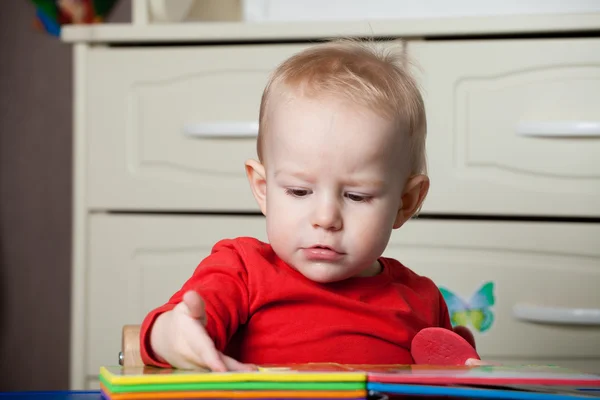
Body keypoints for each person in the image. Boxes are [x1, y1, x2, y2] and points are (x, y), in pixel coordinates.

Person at [139, 38, 474, 372]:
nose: (325, 218)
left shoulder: (422, 300)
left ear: (406, 202)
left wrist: (466, 370)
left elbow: (444, 382)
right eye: (299, 192)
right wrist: (174, 335)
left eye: (357, 196)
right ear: (263, 189)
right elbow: (170, 332)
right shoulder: (240, 271)